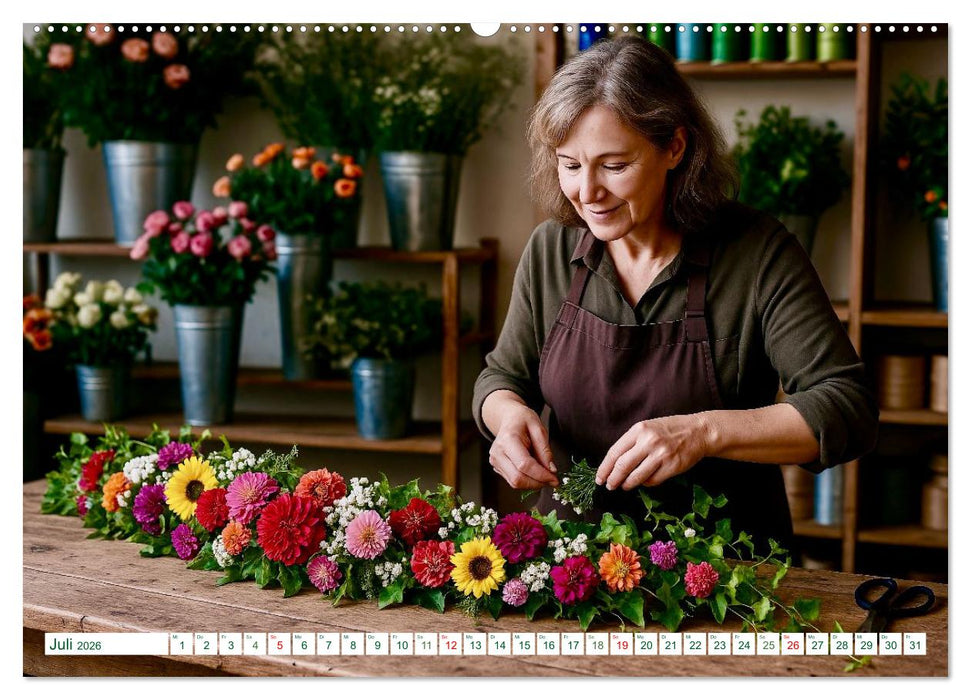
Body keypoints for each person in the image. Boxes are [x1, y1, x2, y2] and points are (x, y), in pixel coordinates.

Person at [471, 36, 878, 552]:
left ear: (675, 148)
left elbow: (846, 407)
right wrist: (506, 418)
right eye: (570, 164)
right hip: (574, 567)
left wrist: (702, 433)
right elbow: (502, 377)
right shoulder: (551, 248)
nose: (587, 193)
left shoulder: (757, 252)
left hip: (726, 573)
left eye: (614, 166)